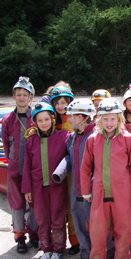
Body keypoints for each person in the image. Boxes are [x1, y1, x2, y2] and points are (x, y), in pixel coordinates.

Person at [80, 97, 131, 258]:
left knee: (123, 227)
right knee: (97, 229)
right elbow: (85, 167)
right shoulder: (93, 139)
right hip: (99, 191)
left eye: (113, 118)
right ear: (99, 120)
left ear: (119, 118)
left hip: (121, 191)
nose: (109, 123)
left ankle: (122, 255)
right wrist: (86, 191)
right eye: (105, 119)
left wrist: (126, 184)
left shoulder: (127, 139)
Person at [21, 102, 69, 259]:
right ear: (35, 122)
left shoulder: (63, 136)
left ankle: (58, 249)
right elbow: (27, 167)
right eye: (39, 120)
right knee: (42, 220)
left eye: (46, 119)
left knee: (57, 219)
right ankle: (46, 248)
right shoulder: (31, 141)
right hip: (37, 188)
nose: (43, 123)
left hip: (57, 187)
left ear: (53, 119)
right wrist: (27, 189)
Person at [52, 99, 96, 259]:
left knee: (96, 225)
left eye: (71, 116)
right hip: (75, 190)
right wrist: (59, 172)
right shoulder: (72, 137)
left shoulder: (96, 137)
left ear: (83, 117)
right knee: (78, 223)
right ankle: (85, 252)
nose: (68, 119)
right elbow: (69, 158)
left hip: (92, 192)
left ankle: (99, 253)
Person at [1, 76, 38, 253]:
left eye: (25, 94)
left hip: (33, 171)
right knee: (17, 205)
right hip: (15, 170)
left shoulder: (36, 118)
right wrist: (13, 163)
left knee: (35, 204)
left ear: (31, 97)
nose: (22, 97)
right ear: (14, 96)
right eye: (18, 94)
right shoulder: (8, 119)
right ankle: (20, 236)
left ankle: (34, 233)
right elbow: (7, 145)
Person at [50, 85, 80, 255]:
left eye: (65, 102)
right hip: (55, 168)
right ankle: (56, 240)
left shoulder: (75, 119)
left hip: (72, 169)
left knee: (72, 206)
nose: (61, 106)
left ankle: (75, 241)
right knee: (57, 207)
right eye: (58, 102)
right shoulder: (50, 120)